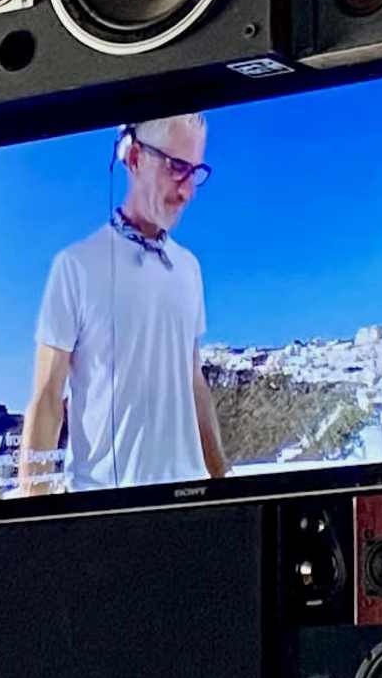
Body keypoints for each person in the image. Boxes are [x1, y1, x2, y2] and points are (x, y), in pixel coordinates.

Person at [19, 113, 228, 492]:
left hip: (190, 506)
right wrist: (32, 520)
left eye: (195, 172)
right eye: (177, 168)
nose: (188, 191)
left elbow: (194, 382)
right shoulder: (76, 265)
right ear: (134, 159)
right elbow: (48, 397)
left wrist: (225, 487)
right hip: (102, 511)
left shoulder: (189, 268)